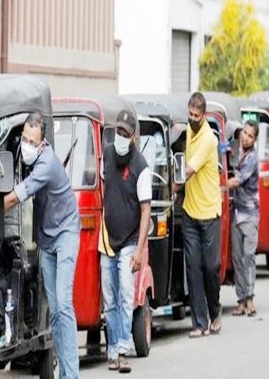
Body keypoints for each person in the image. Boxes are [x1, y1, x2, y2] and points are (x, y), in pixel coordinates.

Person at [4, 112, 81, 379]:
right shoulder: (29, 155)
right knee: (55, 311)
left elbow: (14, 199)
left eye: (31, 141)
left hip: (67, 233)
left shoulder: (46, 163)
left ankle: (71, 375)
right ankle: (65, 373)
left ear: (42, 143)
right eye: (23, 138)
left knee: (63, 305)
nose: (25, 144)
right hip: (47, 238)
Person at [99, 109, 152, 373]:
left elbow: (145, 210)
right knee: (109, 299)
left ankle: (122, 349)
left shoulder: (141, 167)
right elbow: (102, 190)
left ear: (132, 136)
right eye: (117, 131)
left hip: (130, 240)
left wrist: (140, 250)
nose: (119, 136)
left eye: (124, 133)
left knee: (125, 294)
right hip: (108, 240)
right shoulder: (106, 154)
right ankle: (112, 351)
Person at [181, 92, 222, 338]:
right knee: (193, 268)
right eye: (190, 114)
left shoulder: (209, 139)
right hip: (189, 211)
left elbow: (188, 170)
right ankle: (198, 322)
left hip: (209, 212)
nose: (193, 119)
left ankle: (214, 311)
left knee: (210, 267)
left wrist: (175, 182)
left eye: (196, 116)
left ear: (203, 115)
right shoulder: (187, 129)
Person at [226, 121, 260, 316]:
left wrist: (219, 185)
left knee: (248, 257)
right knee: (237, 259)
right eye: (244, 133)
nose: (245, 137)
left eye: (249, 135)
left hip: (249, 215)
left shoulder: (252, 159)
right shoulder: (236, 151)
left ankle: (250, 298)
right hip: (236, 213)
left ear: (254, 139)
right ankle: (241, 300)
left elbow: (237, 180)